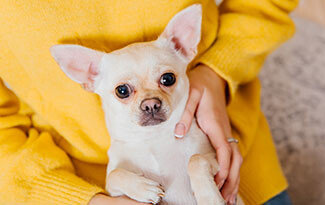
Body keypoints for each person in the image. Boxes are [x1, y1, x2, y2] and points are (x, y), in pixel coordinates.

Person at [0, 0, 297, 204]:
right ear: (88, 76)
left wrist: (218, 70)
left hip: (238, 164)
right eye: (124, 92)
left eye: (165, 80)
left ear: (184, 46)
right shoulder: (121, 150)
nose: (150, 102)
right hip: (81, 180)